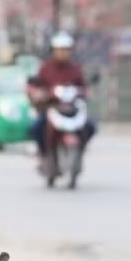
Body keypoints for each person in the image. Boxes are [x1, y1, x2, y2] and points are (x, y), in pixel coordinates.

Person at [27, 31, 97, 163]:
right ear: (53, 51)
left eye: (66, 50)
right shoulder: (45, 68)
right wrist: (40, 93)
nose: (63, 53)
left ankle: (80, 149)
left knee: (91, 126)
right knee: (36, 128)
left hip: (71, 108)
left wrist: (85, 92)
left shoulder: (75, 69)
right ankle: (44, 154)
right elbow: (36, 84)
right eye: (60, 50)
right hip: (51, 107)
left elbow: (83, 86)